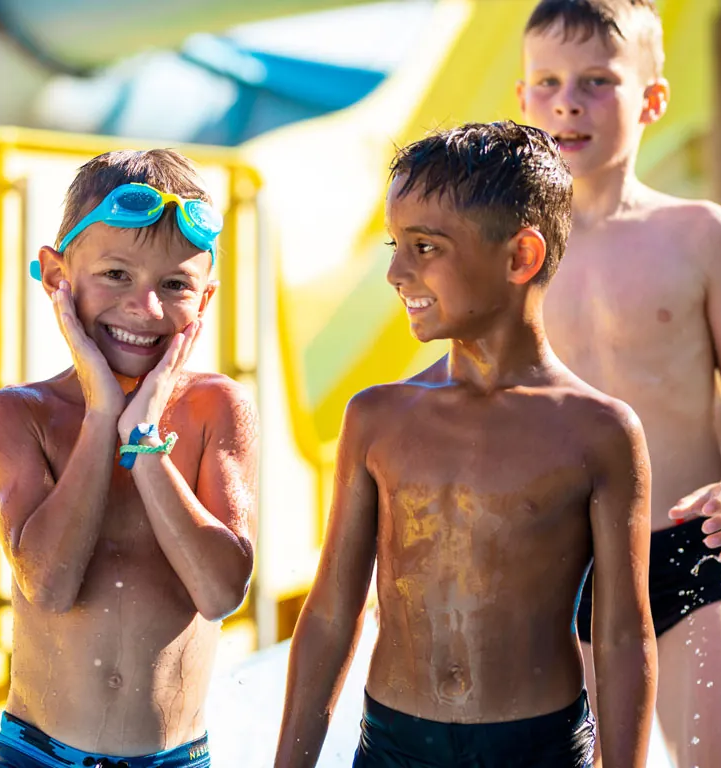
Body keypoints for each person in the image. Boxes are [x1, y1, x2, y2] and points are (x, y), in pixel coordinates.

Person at [273, 121, 657, 768]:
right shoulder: (379, 418)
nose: (396, 271)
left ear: (519, 258)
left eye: (424, 247)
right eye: (396, 244)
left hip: (536, 751)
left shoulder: (598, 431)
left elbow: (620, 636)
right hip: (395, 747)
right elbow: (333, 614)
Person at [516, 2, 721, 766]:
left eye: (599, 81)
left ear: (653, 99)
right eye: (550, 81)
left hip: (688, 550)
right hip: (554, 569)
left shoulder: (702, 236)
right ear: (523, 99)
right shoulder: (510, 253)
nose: (569, 100)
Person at [0, 149, 259, 768]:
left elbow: (219, 591)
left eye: (175, 285)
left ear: (204, 301)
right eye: (116, 274)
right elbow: (49, 587)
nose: (146, 308)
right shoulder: (20, 415)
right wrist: (102, 416)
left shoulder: (217, 408)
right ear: (57, 276)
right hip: (37, 756)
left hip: (175, 759)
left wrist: (146, 439)